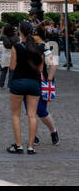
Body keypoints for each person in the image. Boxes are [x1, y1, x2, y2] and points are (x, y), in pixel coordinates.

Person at [6, 23, 43, 153]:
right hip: (34, 84)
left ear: (20, 32)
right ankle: (31, 147)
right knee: (32, 115)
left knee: (16, 115)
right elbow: (40, 69)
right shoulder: (38, 48)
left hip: (18, 82)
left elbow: (12, 67)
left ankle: (18, 145)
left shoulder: (16, 47)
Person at [31, 23, 60, 146]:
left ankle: (53, 131)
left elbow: (53, 64)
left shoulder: (44, 47)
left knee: (41, 111)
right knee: (30, 112)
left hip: (40, 82)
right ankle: (34, 135)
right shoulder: (23, 46)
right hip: (28, 82)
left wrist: (49, 79)